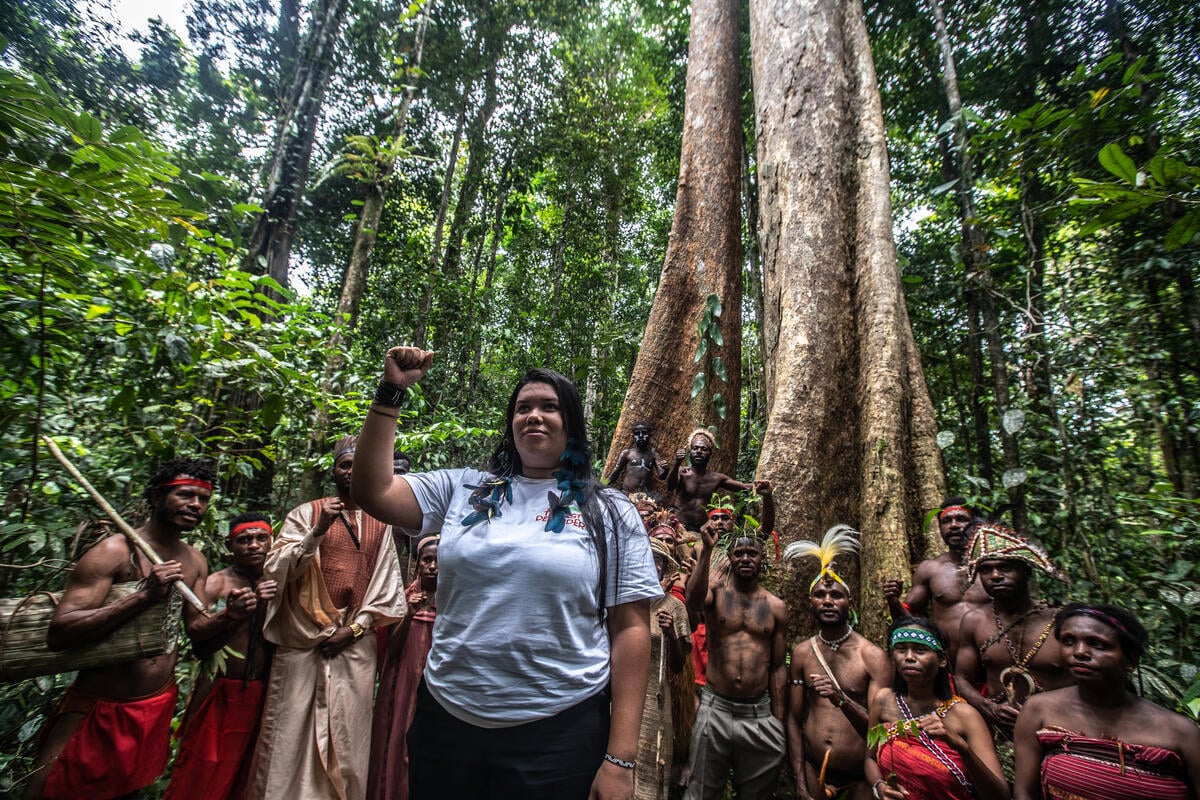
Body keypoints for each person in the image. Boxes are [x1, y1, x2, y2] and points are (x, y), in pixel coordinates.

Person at [352, 346, 661, 800]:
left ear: (571, 424)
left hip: (559, 731)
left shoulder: (608, 509)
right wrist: (391, 391)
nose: (534, 416)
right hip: (447, 722)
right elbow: (372, 490)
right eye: (523, 408)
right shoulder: (464, 488)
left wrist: (619, 759)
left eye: (549, 407)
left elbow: (631, 629)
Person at [25, 459, 248, 800]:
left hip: (154, 706)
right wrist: (144, 596)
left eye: (203, 500)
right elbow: (61, 632)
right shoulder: (115, 550)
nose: (195, 505)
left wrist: (229, 616)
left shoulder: (194, 560)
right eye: (185, 495)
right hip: (100, 706)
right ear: (157, 498)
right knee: (54, 789)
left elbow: (199, 638)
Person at [247, 435, 406, 800]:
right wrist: (317, 531)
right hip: (301, 643)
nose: (351, 472)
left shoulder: (382, 522)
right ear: (333, 470)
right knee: (287, 736)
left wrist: (354, 629)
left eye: (358, 464)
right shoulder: (306, 513)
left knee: (349, 740)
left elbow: (387, 589)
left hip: (353, 646)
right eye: (344, 465)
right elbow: (274, 570)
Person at [1014, 603, 1200, 800]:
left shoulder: (1181, 733)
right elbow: (1025, 792)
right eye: (1068, 641)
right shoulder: (1039, 710)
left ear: (1131, 659)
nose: (1079, 652)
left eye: (1097, 644)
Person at [163, 511, 278, 800]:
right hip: (219, 691)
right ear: (230, 546)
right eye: (244, 540)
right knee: (202, 768)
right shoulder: (216, 583)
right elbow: (197, 636)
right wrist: (232, 614)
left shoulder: (281, 581)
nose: (253, 545)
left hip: (265, 693)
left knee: (249, 772)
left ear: (272, 542)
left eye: (261, 538)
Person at [683, 512, 787, 800]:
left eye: (751, 553)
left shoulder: (775, 607)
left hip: (758, 712)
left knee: (756, 793)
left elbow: (778, 668)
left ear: (761, 558)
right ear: (729, 557)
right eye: (738, 553)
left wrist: (777, 723)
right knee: (702, 790)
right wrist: (706, 551)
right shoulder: (717, 595)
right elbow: (692, 602)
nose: (745, 558)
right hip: (716, 707)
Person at [784, 526, 892, 800]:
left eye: (836, 596)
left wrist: (840, 698)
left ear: (850, 602)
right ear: (811, 603)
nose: (828, 601)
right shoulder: (802, 653)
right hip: (812, 767)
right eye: (820, 595)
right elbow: (794, 721)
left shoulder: (872, 656)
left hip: (860, 776)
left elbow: (883, 730)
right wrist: (798, 778)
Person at [866, 617, 1007, 800]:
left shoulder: (965, 715)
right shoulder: (882, 700)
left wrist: (960, 746)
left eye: (920, 650)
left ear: (941, 660)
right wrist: (879, 787)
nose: (909, 657)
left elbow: (1000, 795)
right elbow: (869, 758)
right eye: (901, 649)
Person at [955, 523, 1070, 744]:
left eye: (1005, 568)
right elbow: (962, 679)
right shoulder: (974, 621)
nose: (995, 576)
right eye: (986, 570)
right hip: (1000, 735)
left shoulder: (1061, 622)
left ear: (1026, 571)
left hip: (1058, 735)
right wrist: (988, 707)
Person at [368, 533, 440, 800]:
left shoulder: (456, 603)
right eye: (427, 560)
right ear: (418, 564)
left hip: (438, 692)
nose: (433, 566)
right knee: (396, 740)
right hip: (401, 687)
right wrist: (408, 615)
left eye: (439, 560)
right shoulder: (401, 599)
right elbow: (391, 651)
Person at [882, 498, 988, 658]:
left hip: (996, 664)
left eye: (961, 519)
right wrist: (893, 600)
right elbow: (909, 621)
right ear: (939, 528)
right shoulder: (930, 569)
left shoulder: (994, 568)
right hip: (949, 665)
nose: (953, 525)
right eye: (946, 521)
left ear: (975, 523)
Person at [636, 538, 692, 800]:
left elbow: (679, 665)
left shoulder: (674, 606)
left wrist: (670, 634)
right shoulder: (628, 600)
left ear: (663, 568)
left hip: (656, 698)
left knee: (652, 773)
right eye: (648, 558)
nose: (652, 564)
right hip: (621, 696)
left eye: (658, 560)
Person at [666, 430, 755, 531]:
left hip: (702, 530)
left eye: (704, 449)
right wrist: (677, 463)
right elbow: (670, 486)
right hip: (679, 527)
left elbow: (743, 487)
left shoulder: (716, 478)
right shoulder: (681, 472)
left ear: (710, 453)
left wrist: (760, 485)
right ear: (690, 451)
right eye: (695, 448)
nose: (699, 451)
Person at [608, 422, 669, 495]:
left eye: (644, 433)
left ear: (650, 435)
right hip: (627, 494)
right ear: (633, 436)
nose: (640, 436)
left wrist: (666, 469)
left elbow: (662, 476)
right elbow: (614, 474)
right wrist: (602, 484)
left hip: (646, 495)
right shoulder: (627, 453)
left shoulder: (654, 455)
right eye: (637, 433)